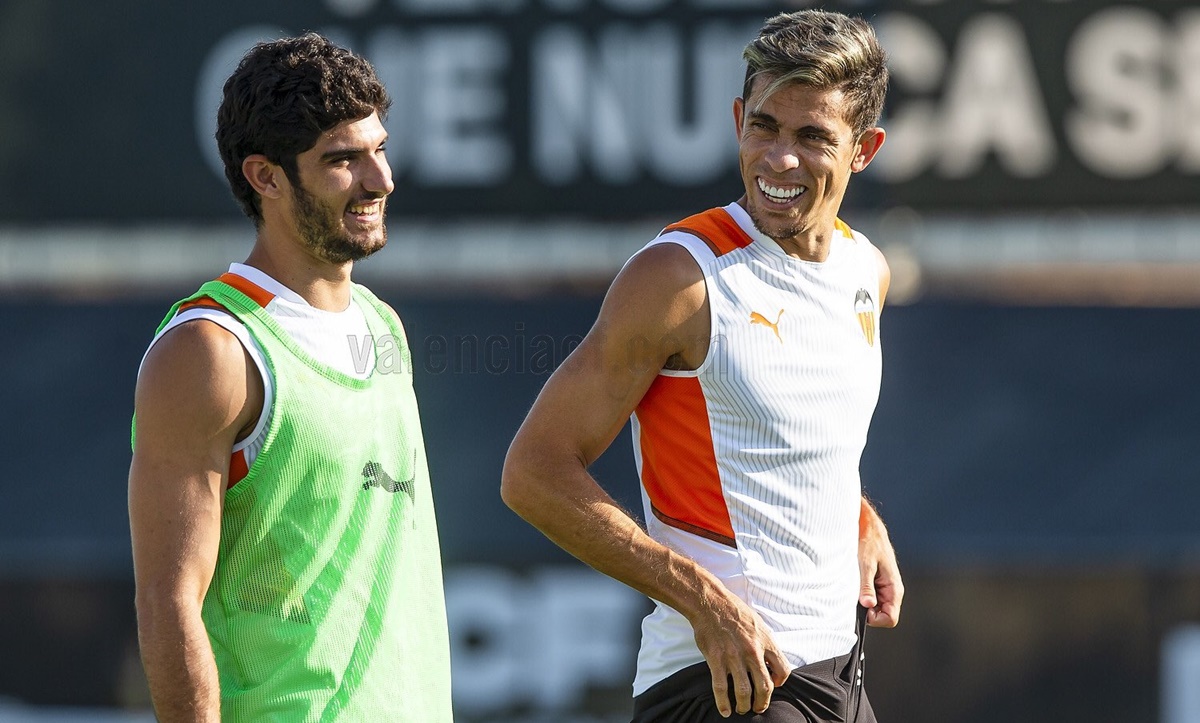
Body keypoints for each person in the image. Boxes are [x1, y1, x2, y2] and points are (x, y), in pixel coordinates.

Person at [502, 10, 901, 722]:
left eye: (812, 137)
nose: (779, 159)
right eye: (764, 127)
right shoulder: (679, 277)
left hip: (842, 670)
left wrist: (859, 515)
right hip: (723, 684)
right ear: (737, 118)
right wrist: (704, 601)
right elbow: (533, 471)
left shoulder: (866, 268)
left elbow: (793, 435)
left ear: (863, 148)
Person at [128, 33, 451, 722]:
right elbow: (169, 599)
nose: (380, 180)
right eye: (343, 160)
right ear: (265, 175)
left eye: (380, 149)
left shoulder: (382, 325)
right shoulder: (210, 349)